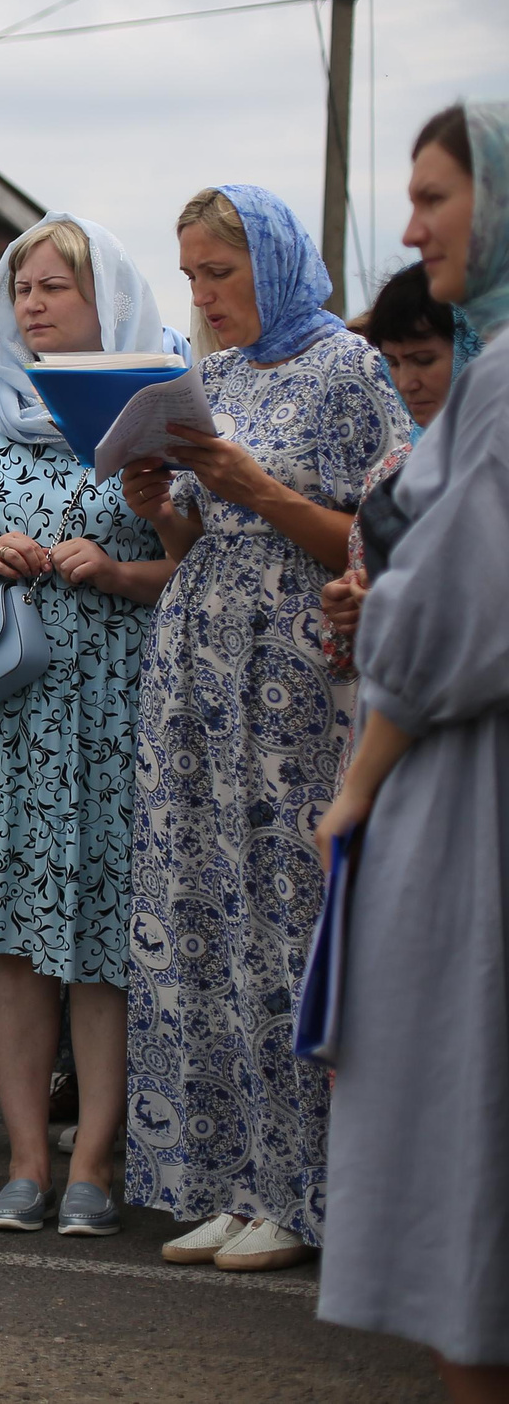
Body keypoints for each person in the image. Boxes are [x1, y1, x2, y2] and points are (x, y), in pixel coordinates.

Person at [121, 186, 411, 1271]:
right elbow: (202, 536)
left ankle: (311, 1194)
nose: (202, 295)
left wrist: (251, 483)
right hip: (201, 657)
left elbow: (374, 537)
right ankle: (238, 1181)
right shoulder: (218, 377)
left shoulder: (347, 368)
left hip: (296, 667)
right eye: (190, 276)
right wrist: (163, 503)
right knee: (210, 915)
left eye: (219, 273)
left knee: (288, 922)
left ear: (274, 265)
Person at [0, 216, 175, 1237]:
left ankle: (91, 1161)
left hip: (105, 710)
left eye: (55, 285)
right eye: (21, 288)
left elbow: (197, 555)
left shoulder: (154, 406)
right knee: (10, 942)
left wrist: (119, 568)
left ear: (109, 300)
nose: (33, 304)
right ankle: (20, 1161)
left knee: (100, 941)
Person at [315, 100, 509, 1396]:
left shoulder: (498, 374)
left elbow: (452, 615)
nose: (409, 223)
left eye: (436, 194)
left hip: (469, 781)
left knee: (465, 1112)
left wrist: (358, 781)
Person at [319, 264, 482, 663]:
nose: (406, 381)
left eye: (423, 359)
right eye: (392, 362)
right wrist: (345, 611)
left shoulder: (492, 467)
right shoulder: (392, 472)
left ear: (477, 349)